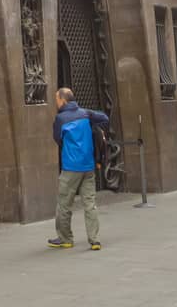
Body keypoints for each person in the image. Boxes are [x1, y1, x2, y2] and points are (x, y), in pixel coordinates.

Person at [48, 86, 110, 252]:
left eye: (56, 99)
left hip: (71, 167)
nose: (56, 102)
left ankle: (65, 238)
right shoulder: (86, 114)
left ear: (63, 100)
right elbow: (104, 118)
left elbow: (57, 139)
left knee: (64, 204)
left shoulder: (61, 119)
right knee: (90, 204)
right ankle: (94, 240)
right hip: (88, 166)